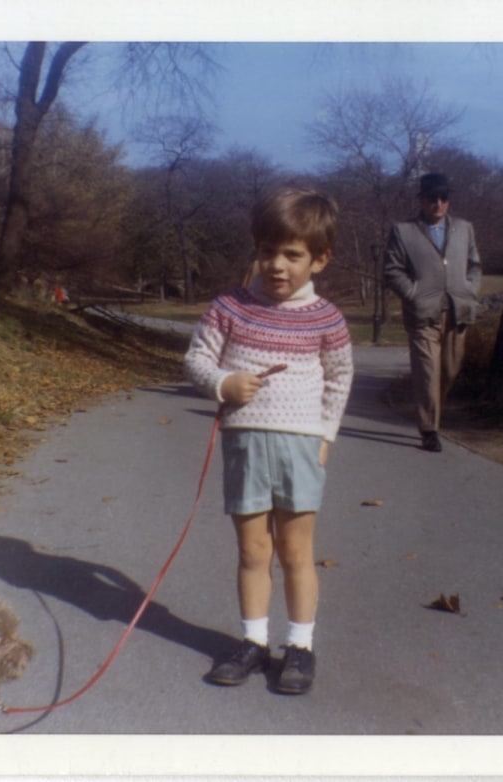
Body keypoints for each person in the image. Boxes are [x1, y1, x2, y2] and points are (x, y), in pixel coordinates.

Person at [184, 187, 353, 694]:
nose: (277, 265)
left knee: (297, 552)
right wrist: (222, 384)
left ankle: (299, 647)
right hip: (245, 448)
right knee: (253, 551)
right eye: (267, 252)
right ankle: (253, 641)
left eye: (293, 255)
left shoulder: (326, 318)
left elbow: (339, 378)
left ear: (319, 259)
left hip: (300, 448)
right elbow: (196, 359)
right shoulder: (230, 307)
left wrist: (324, 438)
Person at [383, 173, 482, 452]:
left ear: (448, 201)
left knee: (449, 370)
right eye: (432, 198)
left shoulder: (464, 228)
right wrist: (413, 294)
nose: (438, 204)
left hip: (457, 310)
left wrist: (470, 289)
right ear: (421, 200)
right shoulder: (404, 231)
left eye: (443, 199)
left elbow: (475, 265)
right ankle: (429, 430)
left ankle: (432, 412)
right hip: (423, 315)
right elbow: (392, 270)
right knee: (428, 372)